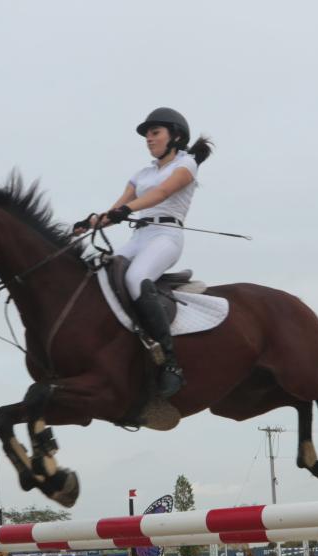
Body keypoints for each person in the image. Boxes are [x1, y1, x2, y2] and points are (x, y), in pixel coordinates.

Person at [75, 107, 213, 398]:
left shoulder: (186, 165)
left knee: (137, 278)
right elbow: (116, 209)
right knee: (99, 274)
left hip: (166, 236)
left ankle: (171, 363)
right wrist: (89, 224)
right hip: (139, 236)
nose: (149, 139)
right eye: (147, 135)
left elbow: (161, 194)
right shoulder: (141, 174)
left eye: (155, 133)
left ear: (175, 136)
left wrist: (127, 209)